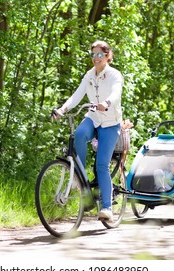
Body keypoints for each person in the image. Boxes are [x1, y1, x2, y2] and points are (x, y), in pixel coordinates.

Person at [53, 40, 124, 222]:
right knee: (79, 134)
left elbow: (116, 94)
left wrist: (106, 103)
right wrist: (63, 109)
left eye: (100, 54)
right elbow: (77, 95)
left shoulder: (115, 75)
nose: (96, 58)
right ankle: (80, 176)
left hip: (110, 122)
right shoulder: (89, 75)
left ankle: (107, 208)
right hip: (93, 117)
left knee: (102, 165)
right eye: (93, 54)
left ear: (108, 56)